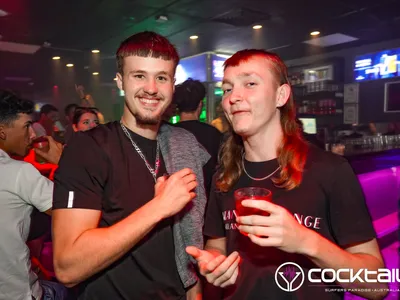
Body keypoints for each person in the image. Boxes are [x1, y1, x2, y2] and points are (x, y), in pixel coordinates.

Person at [187, 49, 388, 299]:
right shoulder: (224, 177)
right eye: (227, 89)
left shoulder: (330, 170)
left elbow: (377, 285)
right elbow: (217, 244)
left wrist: (305, 241)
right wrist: (215, 262)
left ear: (281, 95)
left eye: (250, 84)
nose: (233, 97)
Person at [52, 31, 210, 300]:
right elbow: (67, 266)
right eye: (139, 75)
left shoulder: (185, 145)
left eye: (161, 77)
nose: (151, 88)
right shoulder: (88, 149)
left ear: (173, 85)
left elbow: (191, 239)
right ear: (120, 81)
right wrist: (158, 208)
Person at [0, 90, 67, 300]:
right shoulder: (18, 171)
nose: (32, 134)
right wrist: (64, 163)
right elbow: (72, 211)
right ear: (2, 131)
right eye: (27, 126)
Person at [174, 78, 223, 197]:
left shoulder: (167, 133)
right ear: (200, 105)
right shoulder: (213, 133)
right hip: (208, 200)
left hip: (175, 200)